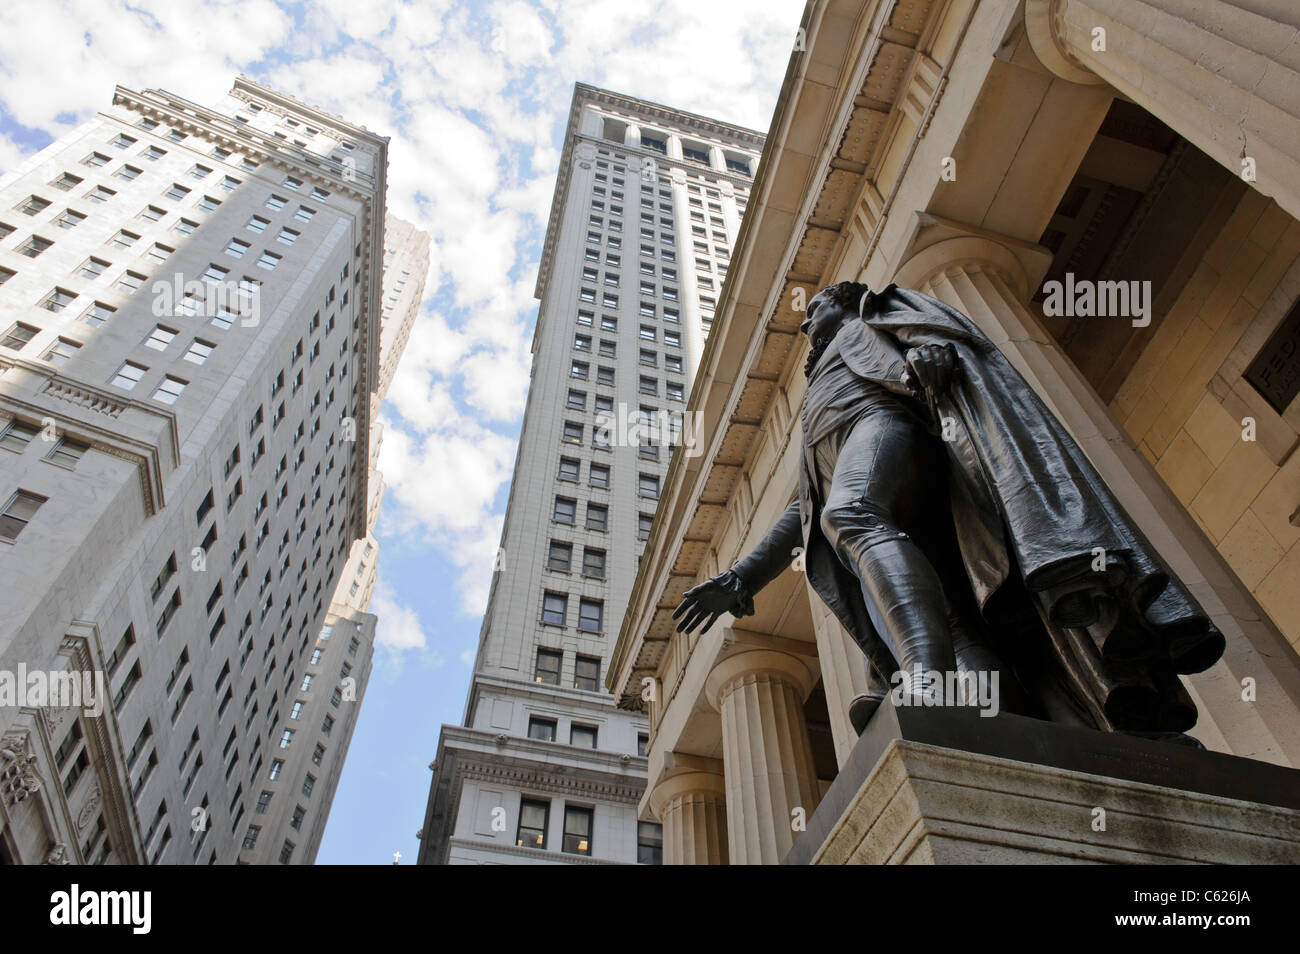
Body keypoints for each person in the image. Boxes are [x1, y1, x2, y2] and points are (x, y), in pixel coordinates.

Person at [673, 281, 1224, 742]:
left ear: (846, 301)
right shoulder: (814, 403)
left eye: (813, 309)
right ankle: (1005, 731)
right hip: (904, 500)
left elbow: (942, 345)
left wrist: (932, 354)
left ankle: (923, 678)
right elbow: (804, 509)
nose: (803, 325)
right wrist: (740, 577)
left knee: (853, 513)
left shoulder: (874, 316)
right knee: (960, 623)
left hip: (891, 426)